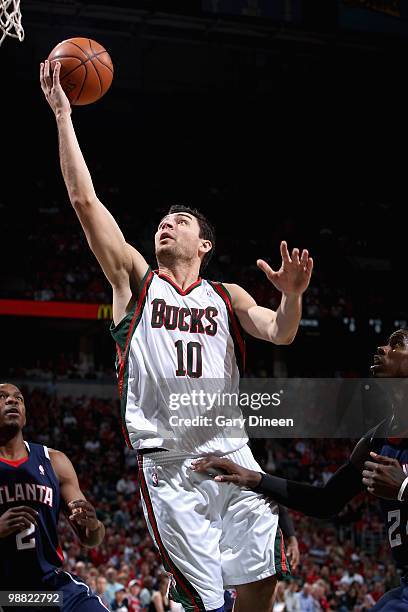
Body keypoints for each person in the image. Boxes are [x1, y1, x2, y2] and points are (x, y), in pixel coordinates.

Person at [40, 59, 313, 612]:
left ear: (204, 244)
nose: (166, 223)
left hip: (235, 455)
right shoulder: (137, 283)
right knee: (210, 606)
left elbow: (281, 333)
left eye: (180, 221)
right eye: (162, 220)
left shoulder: (227, 295)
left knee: (261, 588)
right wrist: (64, 117)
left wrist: (292, 295)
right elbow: (84, 203)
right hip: (171, 467)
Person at [191, 328, 408, 610]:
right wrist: (255, 478)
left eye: (396, 345)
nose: (382, 348)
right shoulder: (375, 441)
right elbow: (326, 502)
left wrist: (404, 488)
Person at [0, 383, 106, 610]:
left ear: (25, 416)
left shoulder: (54, 461)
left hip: (49, 590)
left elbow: (91, 539)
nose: (12, 401)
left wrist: (93, 525)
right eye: (2, 397)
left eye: (18, 398)